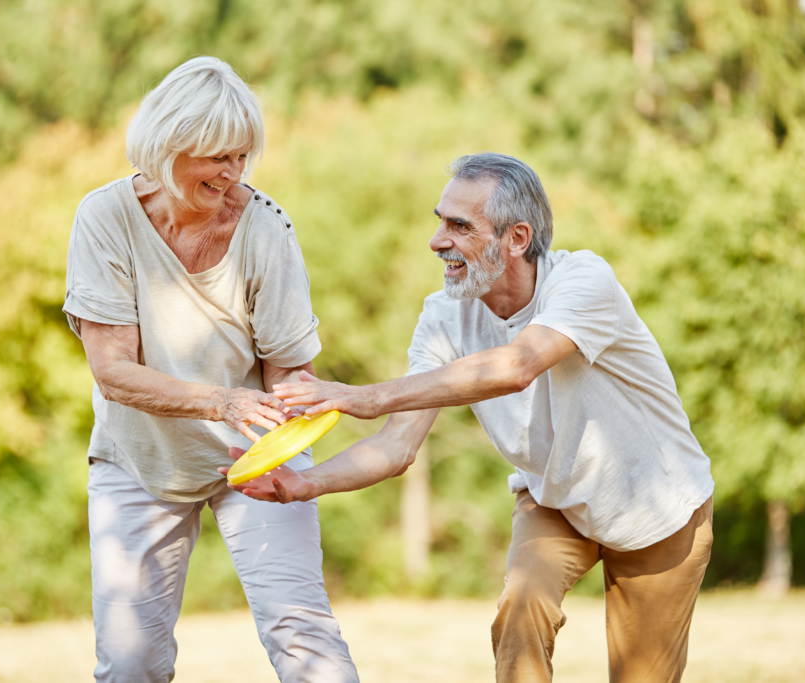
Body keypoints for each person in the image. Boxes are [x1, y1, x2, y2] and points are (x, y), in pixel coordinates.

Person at [227, 152, 715, 683]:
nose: (438, 241)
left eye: (459, 226)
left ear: (518, 239)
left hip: (659, 506)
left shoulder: (583, 282)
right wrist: (306, 483)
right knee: (520, 610)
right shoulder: (443, 318)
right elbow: (396, 447)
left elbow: (518, 365)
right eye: (440, 221)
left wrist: (364, 397)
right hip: (555, 499)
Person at [63, 56, 358, 683]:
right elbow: (112, 371)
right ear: (168, 146)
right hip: (138, 458)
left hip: (255, 453)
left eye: (243, 157)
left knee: (301, 631)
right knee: (130, 662)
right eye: (217, 157)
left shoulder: (266, 227)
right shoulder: (104, 219)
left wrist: (293, 411)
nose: (233, 174)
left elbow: (290, 373)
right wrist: (220, 402)